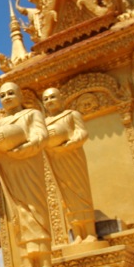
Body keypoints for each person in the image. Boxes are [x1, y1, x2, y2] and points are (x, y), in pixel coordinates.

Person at [0, 81, 53, 267]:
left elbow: (41, 136)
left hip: (29, 167)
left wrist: (26, 147)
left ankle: (45, 264)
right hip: (10, 171)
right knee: (18, 217)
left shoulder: (32, 115)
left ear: (20, 96)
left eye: (10, 93)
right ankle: (29, 266)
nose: (6, 98)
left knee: (35, 212)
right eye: (3, 95)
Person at [42, 87, 98, 243]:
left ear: (61, 98)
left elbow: (82, 132)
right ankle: (77, 233)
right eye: (45, 99)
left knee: (81, 192)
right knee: (66, 197)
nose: (49, 101)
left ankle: (90, 232)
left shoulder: (72, 115)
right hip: (56, 158)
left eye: (53, 97)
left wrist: (72, 142)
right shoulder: (44, 123)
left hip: (73, 156)